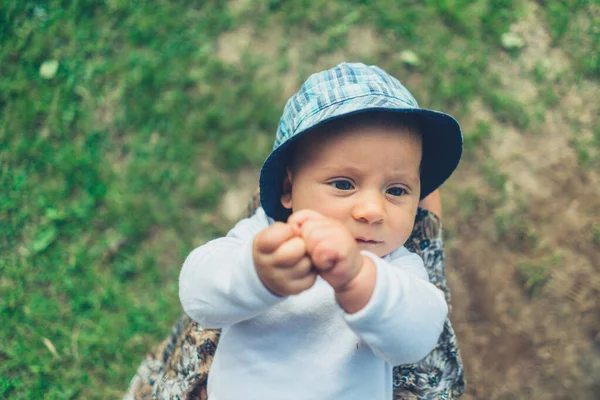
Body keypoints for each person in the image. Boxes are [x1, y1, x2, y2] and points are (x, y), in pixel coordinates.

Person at [177, 62, 463, 400]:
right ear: (288, 189)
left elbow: (419, 338)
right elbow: (197, 296)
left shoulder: (397, 267)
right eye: (343, 184)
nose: (373, 211)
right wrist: (255, 274)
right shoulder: (266, 237)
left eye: (397, 190)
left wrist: (363, 282)